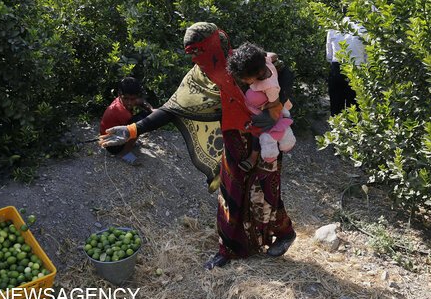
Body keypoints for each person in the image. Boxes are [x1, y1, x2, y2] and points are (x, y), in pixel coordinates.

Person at [99, 22, 296, 270]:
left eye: (197, 51)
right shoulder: (199, 77)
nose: (194, 59)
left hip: (266, 136)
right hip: (234, 140)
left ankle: (285, 232)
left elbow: (283, 72)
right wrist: (131, 130)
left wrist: (277, 105)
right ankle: (230, 249)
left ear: (213, 46)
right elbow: (172, 109)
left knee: (265, 192)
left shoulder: (244, 62)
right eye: (190, 53)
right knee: (231, 195)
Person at [227, 42, 296, 172]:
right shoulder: (263, 62)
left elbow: (275, 104)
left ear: (258, 72)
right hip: (258, 103)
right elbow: (272, 55)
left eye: (246, 79)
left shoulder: (270, 86)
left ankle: (254, 157)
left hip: (268, 106)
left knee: (258, 131)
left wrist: (263, 113)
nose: (243, 81)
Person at [325, 0, 368, 116]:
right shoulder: (364, 28)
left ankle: (336, 134)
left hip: (336, 68)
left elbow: (329, 55)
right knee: (354, 109)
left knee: (336, 108)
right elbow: (368, 58)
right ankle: (354, 135)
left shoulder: (333, 27)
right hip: (357, 69)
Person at [99, 77, 153, 166]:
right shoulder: (121, 112)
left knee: (145, 114)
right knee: (136, 128)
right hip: (112, 144)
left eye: (132, 99)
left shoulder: (121, 101)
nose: (129, 103)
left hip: (115, 134)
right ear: (119, 94)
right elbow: (131, 131)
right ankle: (123, 153)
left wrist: (151, 109)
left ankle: (127, 146)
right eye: (126, 99)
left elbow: (141, 102)